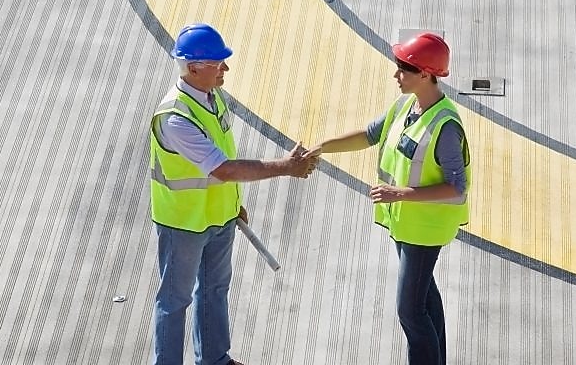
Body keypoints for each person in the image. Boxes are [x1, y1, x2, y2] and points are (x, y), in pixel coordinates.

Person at [150, 23, 318, 365]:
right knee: (175, 300)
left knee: (213, 290)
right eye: (217, 62)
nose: (225, 68)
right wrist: (286, 166)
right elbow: (223, 168)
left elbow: (224, 154)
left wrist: (235, 204)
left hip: (220, 217)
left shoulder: (214, 98)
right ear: (193, 66)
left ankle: (214, 359)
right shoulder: (175, 118)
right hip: (184, 224)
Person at [308, 33, 470, 365]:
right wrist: (321, 147)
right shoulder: (405, 106)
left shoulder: (446, 126)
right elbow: (370, 134)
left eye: (403, 70)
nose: (396, 76)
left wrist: (401, 194)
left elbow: (457, 187)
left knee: (410, 311)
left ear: (425, 74)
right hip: (407, 223)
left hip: (425, 228)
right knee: (425, 300)